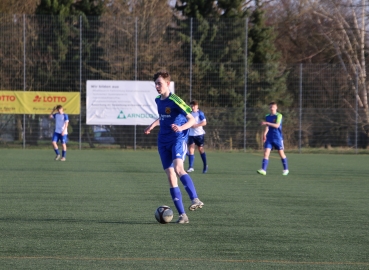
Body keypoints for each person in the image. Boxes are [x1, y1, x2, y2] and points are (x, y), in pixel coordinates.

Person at [144, 70, 204, 224]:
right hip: (162, 142)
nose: (157, 86)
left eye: (160, 83)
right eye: (156, 83)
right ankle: (183, 215)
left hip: (177, 139)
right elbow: (163, 118)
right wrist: (152, 125)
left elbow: (191, 119)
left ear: (168, 84)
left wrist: (181, 128)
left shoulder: (176, 100)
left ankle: (195, 199)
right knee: (171, 177)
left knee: (178, 169)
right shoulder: (158, 100)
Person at [257, 101, 289, 176]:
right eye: (271, 107)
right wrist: (264, 134)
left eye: (273, 107)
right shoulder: (267, 116)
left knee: (281, 153)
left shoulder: (279, 115)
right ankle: (263, 170)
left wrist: (267, 123)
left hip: (277, 137)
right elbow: (267, 127)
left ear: (276, 108)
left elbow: (277, 125)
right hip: (269, 138)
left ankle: (286, 169)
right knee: (266, 153)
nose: (272, 108)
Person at [187, 100, 208, 173]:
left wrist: (196, 125)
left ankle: (205, 165)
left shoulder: (200, 113)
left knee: (200, 150)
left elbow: (204, 123)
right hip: (191, 134)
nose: (192, 107)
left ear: (197, 106)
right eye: (191, 106)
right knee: (191, 150)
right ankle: (191, 167)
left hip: (199, 134)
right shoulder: (189, 113)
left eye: (194, 106)